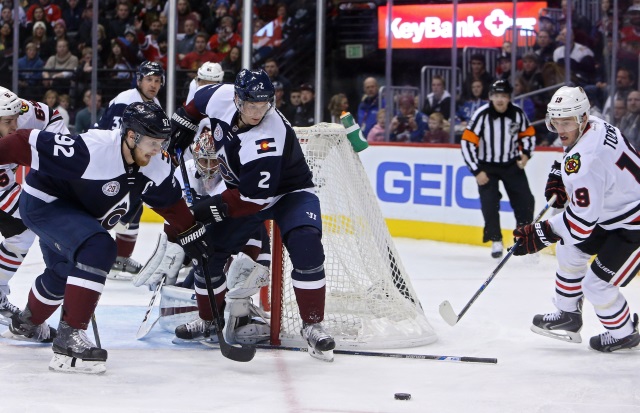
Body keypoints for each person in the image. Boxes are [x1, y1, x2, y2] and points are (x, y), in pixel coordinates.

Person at [1, 101, 201, 373]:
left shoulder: (155, 164)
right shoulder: (92, 150)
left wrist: (193, 236)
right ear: (132, 136)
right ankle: (69, 337)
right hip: (44, 203)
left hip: (76, 214)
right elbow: (22, 143)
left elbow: (171, 205)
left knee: (62, 272)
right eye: (153, 143)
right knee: (98, 247)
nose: (158, 151)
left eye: (161, 143)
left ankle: (26, 322)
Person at [167, 68, 336, 361]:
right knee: (207, 252)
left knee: (307, 244)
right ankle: (210, 319)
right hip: (242, 189)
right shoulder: (219, 96)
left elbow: (251, 200)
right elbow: (195, 105)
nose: (257, 112)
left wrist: (200, 211)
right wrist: (180, 128)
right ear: (236, 98)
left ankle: (312, 324)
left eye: (263, 105)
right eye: (250, 105)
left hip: (288, 193)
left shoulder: (267, 138)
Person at [511, 86, 640, 352]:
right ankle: (567, 315)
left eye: (566, 121)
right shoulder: (595, 124)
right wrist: (559, 174)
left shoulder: (586, 162)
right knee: (568, 250)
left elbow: (581, 226)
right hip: (614, 213)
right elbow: (575, 155)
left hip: (634, 225)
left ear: (581, 117)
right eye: (556, 121)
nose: (560, 128)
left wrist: (539, 233)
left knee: (596, 285)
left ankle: (623, 333)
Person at [134, 129, 271, 345]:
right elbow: (173, 214)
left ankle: (240, 312)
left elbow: (252, 222)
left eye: (213, 161)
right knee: (197, 278)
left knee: (241, 274)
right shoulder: (183, 172)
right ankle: (206, 314)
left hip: (241, 234)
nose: (208, 167)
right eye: (203, 161)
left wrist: (252, 257)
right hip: (203, 237)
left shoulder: (232, 176)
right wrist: (173, 248)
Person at [0, 87, 69, 325]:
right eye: (9, 122)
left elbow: (53, 117)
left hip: (5, 175)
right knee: (29, 219)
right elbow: (10, 199)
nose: (16, 125)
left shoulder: (19, 110)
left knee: (22, 233)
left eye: (17, 118)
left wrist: (59, 158)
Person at [96, 61, 165, 279]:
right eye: (149, 79)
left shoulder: (153, 102)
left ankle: (120, 258)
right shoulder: (127, 100)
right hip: (110, 162)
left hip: (128, 164)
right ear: (139, 80)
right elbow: (117, 137)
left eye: (157, 81)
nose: (153, 85)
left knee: (134, 208)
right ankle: (94, 255)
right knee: (107, 209)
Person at [460, 79, 535, 258]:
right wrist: (477, 171)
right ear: (490, 97)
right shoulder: (481, 114)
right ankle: (496, 240)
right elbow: (467, 142)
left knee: (525, 200)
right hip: (487, 167)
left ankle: (523, 237)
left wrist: (525, 154)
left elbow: (528, 134)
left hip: (511, 164)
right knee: (489, 204)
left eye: (503, 96)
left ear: (509, 98)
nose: (500, 99)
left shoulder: (517, 113)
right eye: (496, 96)